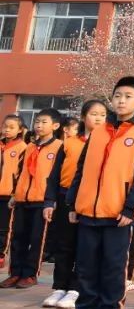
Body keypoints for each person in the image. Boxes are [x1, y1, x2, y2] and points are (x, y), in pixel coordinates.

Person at [66, 76, 134, 309]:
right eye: (117, 96)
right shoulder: (98, 131)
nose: (121, 101)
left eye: (128, 97)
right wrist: (73, 203)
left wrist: (131, 208)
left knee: (113, 267)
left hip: (118, 215)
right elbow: (82, 169)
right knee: (85, 266)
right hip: (87, 212)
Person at [43, 100, 106, 309]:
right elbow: (54, 175)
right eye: (94, 114)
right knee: (64, 244)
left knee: (85, 247)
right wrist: (49, 200)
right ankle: (60, 287)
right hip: (65, 197)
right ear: (83, 117)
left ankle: (76, 289)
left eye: (102, 115)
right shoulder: (69, 143)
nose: (98, 118)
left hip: (90, 200)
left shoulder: (107, 144)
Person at [1, 108, 62, 290]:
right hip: (22, 199)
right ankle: (15, 273)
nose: (39, 125)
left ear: (55, 126)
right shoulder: (29, 147)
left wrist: (52, 199)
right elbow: (20, 172)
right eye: (37, 122)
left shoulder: (59, 146)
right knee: (18, 238)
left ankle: (30, 274)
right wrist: (15, 194)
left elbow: (57, 175)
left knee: (37, 239)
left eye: (44, 122)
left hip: (42, 199)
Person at [0, 114, 28, 270]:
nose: (7, 130)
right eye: (5, 126)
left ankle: (1, 254)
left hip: (8, 194)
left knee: (4, 227)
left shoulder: (22, 147)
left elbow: (21, 173)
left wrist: (15, 193)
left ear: (20, 130)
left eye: (11, 127)